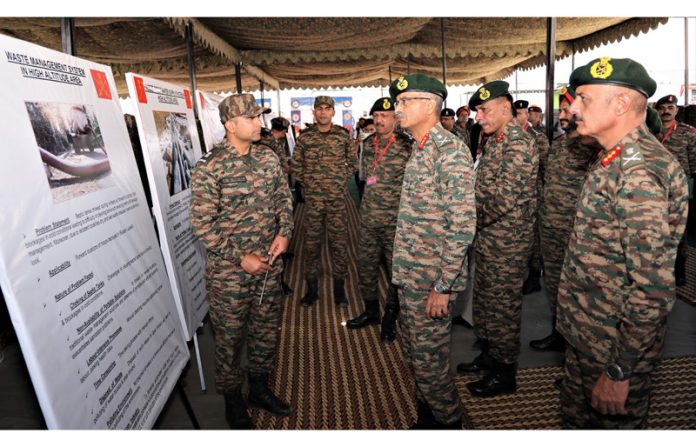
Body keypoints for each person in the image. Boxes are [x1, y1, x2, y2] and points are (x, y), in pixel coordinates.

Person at [557, 57, 689, 429]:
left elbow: (652, 288)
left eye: (583, 99)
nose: (573, 109)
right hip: (590, 332)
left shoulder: (639, 171)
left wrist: (619, 368)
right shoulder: (612, 157)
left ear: (619, 105)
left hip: (612, 345)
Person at [189, 94, 294, 429]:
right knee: (230, 340)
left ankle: (258, 389)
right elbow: (202, 224)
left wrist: (285, 233)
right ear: (231, 125)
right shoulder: (210, 167)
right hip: (229, 275)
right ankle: (233, 401)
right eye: (251, 119)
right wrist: (239, 258)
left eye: (258, 118)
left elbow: (284, 200)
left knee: (265, 333)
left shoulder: (268, 159)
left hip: (269, 266)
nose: (258, 124)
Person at [390, 73, 475, 429]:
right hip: (412, 276)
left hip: (432, 281)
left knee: (431, 365)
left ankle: (450, 425)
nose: (397, 109)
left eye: (404, 101)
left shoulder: (449, 151)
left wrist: (443, 285)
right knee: (416, 357)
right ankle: (427, 419)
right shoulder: (419, 147)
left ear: (428, 105)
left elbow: (462, 225)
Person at [457, 81, 538, 398]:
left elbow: (502, 198)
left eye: (483, 109)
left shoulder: (517, 144)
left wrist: (464, 220)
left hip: (508, 241)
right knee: (486, 301)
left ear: (505, 107)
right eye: (477, 110)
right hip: (489, 237)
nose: (478, 116)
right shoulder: (495, 140)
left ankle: (505, 372)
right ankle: (490, 355)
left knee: (503, 306)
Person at [530, 85, 599, 353]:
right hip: (551, 229)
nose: (562, 114)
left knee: (577, 290)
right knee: (555, 285)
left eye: (567, 109)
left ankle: (578, 347)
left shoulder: (591, 147)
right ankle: (559, 333)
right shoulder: (557, 145)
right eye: (560, 109)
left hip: (576, 230)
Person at [346, 97, 412, 342]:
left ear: (396, 118)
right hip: (368, 218)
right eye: (376, 116)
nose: (379, 120)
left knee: (395, 272)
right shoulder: (368, 143)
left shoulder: (407, 146)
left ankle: (390, 317)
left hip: (395, 221)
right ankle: (372, 311)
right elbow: (365, 178)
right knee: (366, 268)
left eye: (385, 115)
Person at [292, 96, 355, 307]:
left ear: (333, 112)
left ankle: (339, 290)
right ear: (314, 112)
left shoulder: (342, 136)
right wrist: (309, 183)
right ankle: (312, 290)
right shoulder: (305, 138)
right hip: (314, 201)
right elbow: (296, 164)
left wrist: (338, 179)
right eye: (319, 108)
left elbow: (353, 163)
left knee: (339, 244)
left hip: (336, 200)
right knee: (311, 245)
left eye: (327, 108)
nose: (323, 112)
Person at [655, 94, 696, 286]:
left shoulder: (688, 133)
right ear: (656, 110)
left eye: (670, 108)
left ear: (676, 111)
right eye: (662, 108)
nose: (666, 112)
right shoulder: (649, 133)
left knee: (679, 231)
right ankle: (657, 268)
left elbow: (694, 163)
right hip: (653, 189)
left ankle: (680, 270)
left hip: (679, 190)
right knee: (654, 229)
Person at [513, 99, 549, 295]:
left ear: (527, 115)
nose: (518, 117)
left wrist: (542, 195)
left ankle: (534, 276)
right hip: (514, 197)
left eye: (521, 113)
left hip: (534, 195)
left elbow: (546, 169)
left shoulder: (538, 137)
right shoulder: (507, 137)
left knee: (534, 237)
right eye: (515, 113)